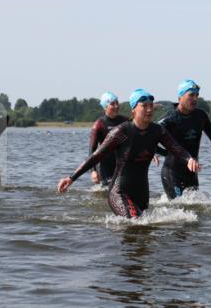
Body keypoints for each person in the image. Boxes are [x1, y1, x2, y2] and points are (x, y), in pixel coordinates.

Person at [57, 89, 199, 218]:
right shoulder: (121, 132)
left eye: (151, 105)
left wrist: (189, 159)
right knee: (135, 222)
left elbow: (175, 147)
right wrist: (72, 178)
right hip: (119, 192)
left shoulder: (157, 131)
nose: (149, 109)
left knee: (143, 233)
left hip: (142, 193)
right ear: (133, 110)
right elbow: (96, 156)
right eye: (144, 106)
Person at [156, 79, 211, 199]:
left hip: (192, 172)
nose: (195, 99)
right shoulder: (170, 118)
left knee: (195, 210)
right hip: (172, 172)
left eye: (197, 95)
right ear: (180, 97)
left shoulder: (200, 116)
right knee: (179, 209)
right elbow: (149, 137)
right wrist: (163, 153)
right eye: (191, 95)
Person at [88, 92, 128, 186]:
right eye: (112, 104)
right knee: (106, 195)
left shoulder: (125, 121)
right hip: (105, 167)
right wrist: (93, 171)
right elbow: (92, 150)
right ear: (105, 107)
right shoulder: (99, 124)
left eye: (117, 103)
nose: (116, 106)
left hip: (122, 164)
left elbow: (136, 139)